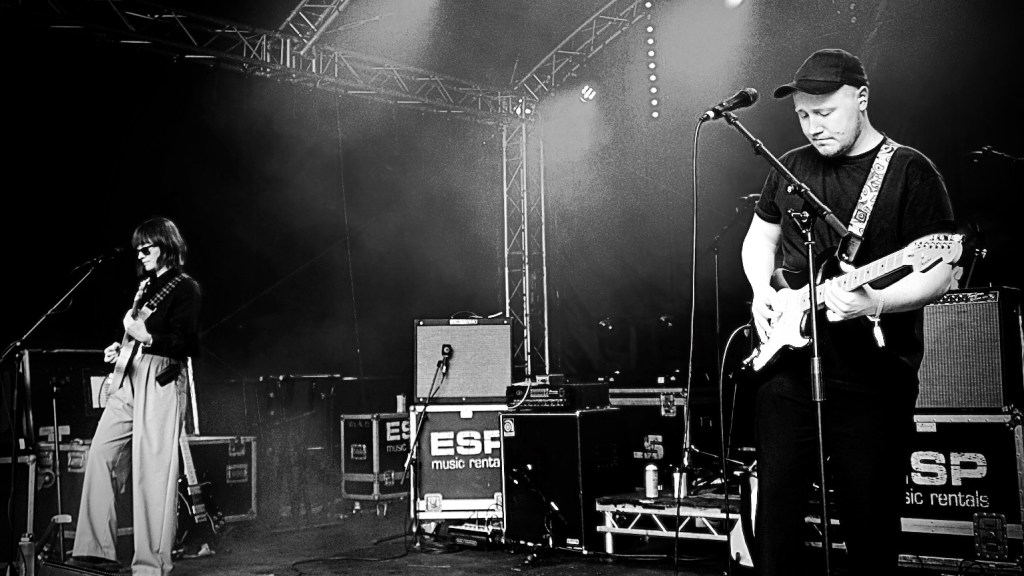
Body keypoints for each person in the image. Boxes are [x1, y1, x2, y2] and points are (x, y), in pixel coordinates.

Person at [740, 49, 957, 575]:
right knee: (775, 523)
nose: (813, 127)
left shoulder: (908, 170)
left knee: (870, 523)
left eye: (825, 112)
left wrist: (875, 301)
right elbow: (760, 239)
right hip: (787, 370)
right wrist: (761, 291)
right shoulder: (790, 167)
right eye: (803, 116)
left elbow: (940, 270)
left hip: (872, 377)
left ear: (861, 98)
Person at [70, 217, 201, 575]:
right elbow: (137, 332)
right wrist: (122, 346)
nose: (140, 255)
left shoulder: (185, 287)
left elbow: (188, 344)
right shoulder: (145, 286)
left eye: (146, 248)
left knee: (153, 472)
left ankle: (150, 565)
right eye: (138, 250)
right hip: (130, 374)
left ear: (166, 246)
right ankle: (96, 549)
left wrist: (148, 339)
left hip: (161, 377)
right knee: (101, 453)